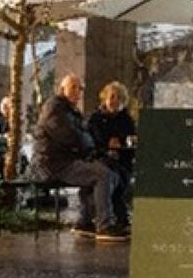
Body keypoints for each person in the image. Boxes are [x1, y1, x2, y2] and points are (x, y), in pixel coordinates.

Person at [34, 75, 127, 242]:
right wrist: (87, 143)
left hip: (65, 160)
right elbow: (71, 136)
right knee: (102, 174)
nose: (78, 91)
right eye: (74, 87)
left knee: (108, 172)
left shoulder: (70, 110)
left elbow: (82, 136)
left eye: (80, 88)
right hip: (53, 164)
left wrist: (87, 143)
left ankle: (84, 222)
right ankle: (104, 225)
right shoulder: (54, 108)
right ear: (62, 90)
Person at [87, 82, 136, 228]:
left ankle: (119, 216)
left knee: (121, 176)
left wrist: (119, 142)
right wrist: (109, 146)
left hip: (123, 160)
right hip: (101, 158)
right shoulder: (96, 119)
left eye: (119, 98)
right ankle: (119, 216)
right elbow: (96, 140)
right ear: (105, 99)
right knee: (111, 176)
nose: (115, 101)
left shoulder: (126, 119)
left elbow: (130, 139)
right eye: (112, 97)